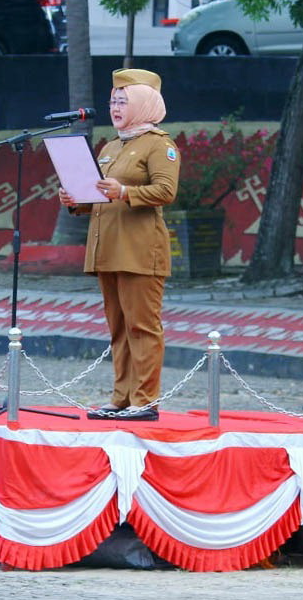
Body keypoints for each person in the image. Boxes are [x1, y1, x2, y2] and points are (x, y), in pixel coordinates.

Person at [59, 68, 179, 421]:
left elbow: (166, 191)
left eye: (123, 101)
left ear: (143, 104)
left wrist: (125, 191)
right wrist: (75, 199)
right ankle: (121, 398)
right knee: (119, 328)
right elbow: (96, 196)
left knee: (142, 326)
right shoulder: (112, 146)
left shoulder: (160, 145)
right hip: (107, 248)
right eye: (112, 101)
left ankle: (145, 400)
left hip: (140, 251)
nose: (114, 107)